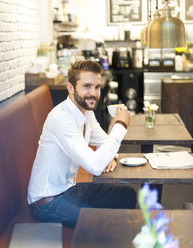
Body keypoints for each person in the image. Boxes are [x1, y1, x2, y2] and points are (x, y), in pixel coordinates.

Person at [27, 60, 136, 228]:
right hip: (47, 203)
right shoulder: (61, 119)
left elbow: (105, 142)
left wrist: (110, 156)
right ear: (71, 88)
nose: (93, 93)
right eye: (86, 86)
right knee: (104, 223)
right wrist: (120, 125)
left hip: (70, 190)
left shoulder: (86, 112)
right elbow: (94, 165)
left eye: (97, 87)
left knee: (127, 195)